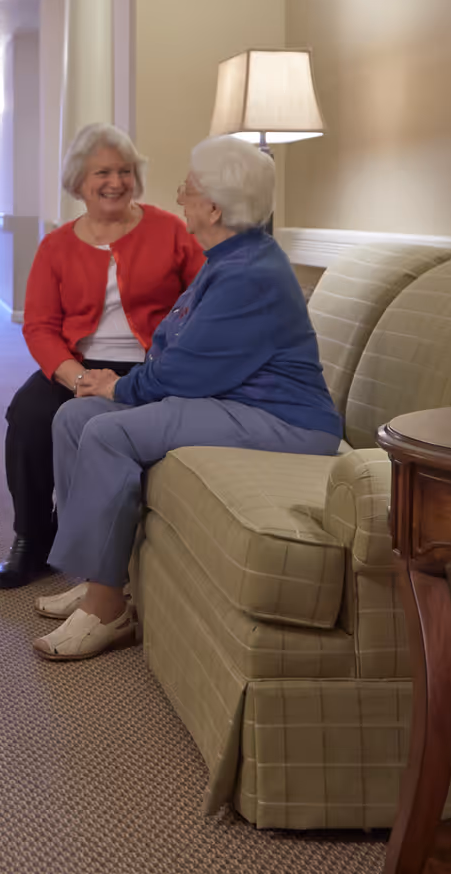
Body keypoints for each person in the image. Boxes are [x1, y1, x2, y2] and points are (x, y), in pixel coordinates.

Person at [32, 135, 343, 661]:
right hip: (233, 400)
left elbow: (184, 371)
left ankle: (109, 610)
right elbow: (181, 349)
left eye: (189, 189)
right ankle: (98, 576)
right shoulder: (226, 258)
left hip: (281, 420)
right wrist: (107, 386)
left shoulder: (248, 274)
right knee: (73, 417)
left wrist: (118, 386)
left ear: (214, 207)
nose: (180, 197)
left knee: (106, 429)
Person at [0, 124, 205, 590]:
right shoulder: (56, 246)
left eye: (125, 171)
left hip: (154, 366)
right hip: (79, 365)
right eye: (103, 172)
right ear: (79, 182)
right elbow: (41, 326)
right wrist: (75, 378)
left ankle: (102, 545)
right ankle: (31, 540)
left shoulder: (169, 230)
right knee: (27, 416)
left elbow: (207, 299)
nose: (116, 182)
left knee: (102, 428)